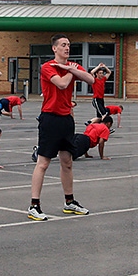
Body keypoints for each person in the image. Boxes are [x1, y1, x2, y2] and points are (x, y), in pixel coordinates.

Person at [28, 34, 95, 221]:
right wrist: (70, 71)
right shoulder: (48, 67)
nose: (67, 48)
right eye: (63, 45)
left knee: (67, 161)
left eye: (68, 45)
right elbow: (62, 84)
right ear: (54, 48)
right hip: (50, 119)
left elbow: (90, 79)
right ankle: (34, 205)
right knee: (43, 163)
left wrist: (70, 68)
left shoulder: (71, 66)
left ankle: (69, 202)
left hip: (67, 119)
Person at [32, 116, 114, 162]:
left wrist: (86, 154)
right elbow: (101, 142)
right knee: (69, 156)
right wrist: (102, 156)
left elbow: (88, 137)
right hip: (84, 141)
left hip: (79, 136)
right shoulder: (105, 129)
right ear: (109, 123)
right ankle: (40, 153)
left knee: (63, 147)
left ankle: (43, 149)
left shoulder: (95, 124)